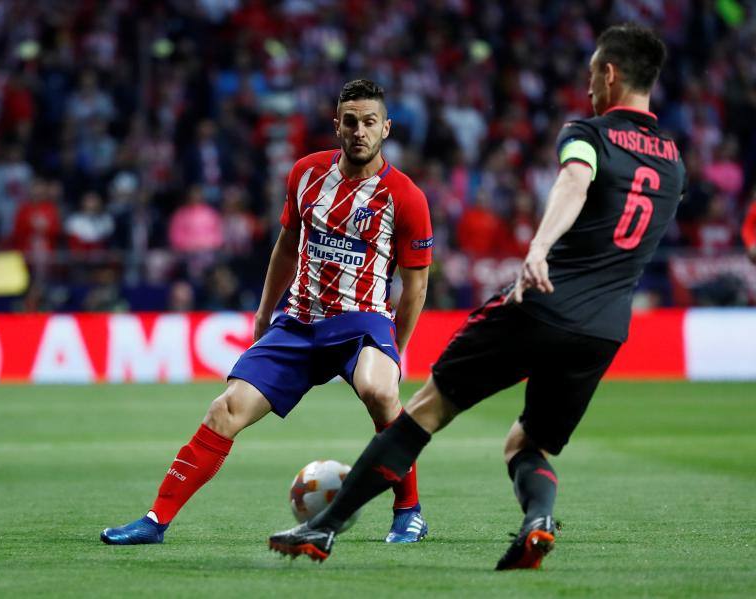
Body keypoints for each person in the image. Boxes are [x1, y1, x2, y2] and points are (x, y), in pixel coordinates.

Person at [268, 24, 685, 570]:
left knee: (423, 411)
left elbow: (575, 181)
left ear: (609, 74)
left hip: (541, 302)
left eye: (591, 77)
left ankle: (323, 528)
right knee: (526, 445)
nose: (588, 90)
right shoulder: (673, 161)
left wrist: (539, 246)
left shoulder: (589, 133)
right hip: (604, 329)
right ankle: (537, 520)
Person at [101, 79, 433, 545]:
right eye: (351, 121)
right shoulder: (305, 174)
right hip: (298, 321)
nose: (360, 131)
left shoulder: (406, 197)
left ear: (387, 129)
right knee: (225, 410)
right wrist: (264, 313)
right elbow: (287, 246)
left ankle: (409, 511)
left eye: (370, 122)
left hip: (362, 321)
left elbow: (415, 286)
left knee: (380, 391)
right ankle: (155, 521)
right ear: (336, 124)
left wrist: (397, 347)